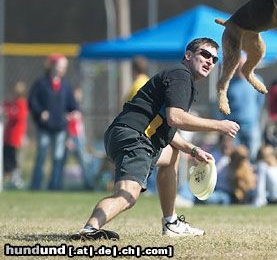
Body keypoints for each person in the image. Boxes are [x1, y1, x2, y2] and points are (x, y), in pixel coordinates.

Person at [70, 38, 240, 240]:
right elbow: (175, 117)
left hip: (128, 135)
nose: (210, 61)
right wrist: (219, 125)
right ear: (188, 55)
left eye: (214, 58)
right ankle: (89, 230)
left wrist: (193, 149)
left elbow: (167, 127)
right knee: (128, 195)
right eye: (204, 54)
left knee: (171, 156)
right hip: (134, 137)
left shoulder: (182, 78)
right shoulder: (181, 75)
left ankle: (171, 223)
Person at [28, 54, 78, 190]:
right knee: (42, 156)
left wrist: (75, 112)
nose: (62, 69)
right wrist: (40, 112)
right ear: (52, 66)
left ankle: (54, 185)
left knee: (57, 158)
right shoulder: (41, 83)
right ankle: (35, 185)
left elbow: (72, 105)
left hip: (60, 127)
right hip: (45, 127)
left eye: (64, 67)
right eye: (60, 66)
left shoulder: (65, 85)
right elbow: (32, 101)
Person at [220, 54, 265, 162]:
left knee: (253, 156)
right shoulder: (228, 83)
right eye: (239, 64)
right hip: (234, 127)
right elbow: (224, 106)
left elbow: (260, 101)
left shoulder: (257, 81)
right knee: (235, 157)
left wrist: (254, 116)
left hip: (251, 125)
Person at [63, 87, 93, 190]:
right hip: (72, 138)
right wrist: (70, 139)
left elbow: (80, 126)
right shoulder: (69, 108)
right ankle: (57, 183)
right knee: (62, 161)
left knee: (84, 161)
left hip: (79, 138)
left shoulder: (79, 108)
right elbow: (70, 125)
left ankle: (88, 184)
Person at [2, 81, 28, 189]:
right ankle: (10, 177)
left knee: (13, 158)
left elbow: (19, 116)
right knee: (7, 157)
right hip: (8, 137)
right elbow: (6, 106)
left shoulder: (21, 103)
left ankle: (17, 179)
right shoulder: (13, 103)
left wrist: (8, 112)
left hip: (15, 136)